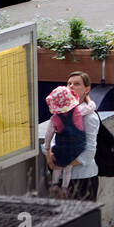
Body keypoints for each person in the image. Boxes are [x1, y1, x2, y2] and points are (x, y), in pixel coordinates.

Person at [44, 71, 99, 201]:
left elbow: (90, 151)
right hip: (61, 177)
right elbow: (52, 139)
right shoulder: (60, 114)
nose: (71, 86)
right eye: (69, 83)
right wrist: (49, 156)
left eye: (77, 84)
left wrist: (63, 164)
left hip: (83, 178)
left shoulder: (89, 117)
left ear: (87, 89)